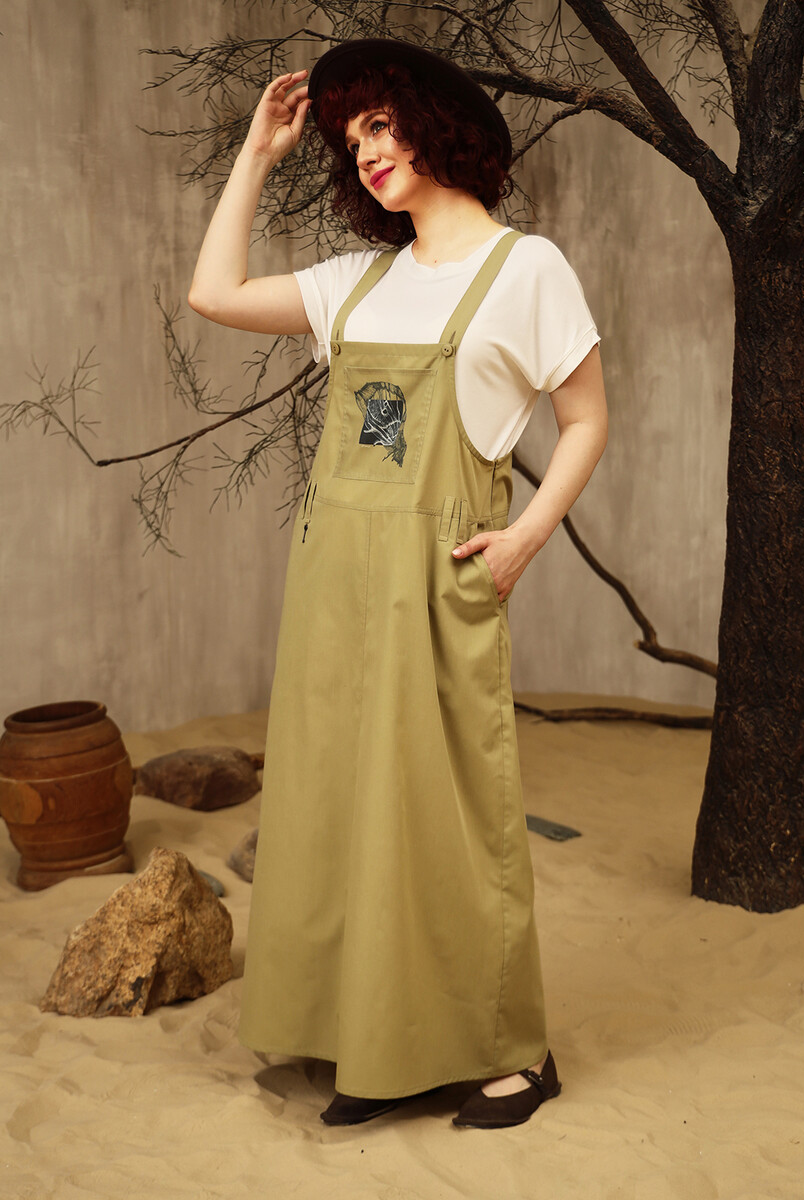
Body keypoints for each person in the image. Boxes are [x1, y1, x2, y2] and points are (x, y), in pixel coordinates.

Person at [188, 38, 608, 1130]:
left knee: (449, 820)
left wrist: (527, 536)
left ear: (436, 122)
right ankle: (373, 1049)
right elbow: (212, 292)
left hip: (438, 584)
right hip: (332, 586)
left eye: (380, 123)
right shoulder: (356, 282)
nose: (366, 149)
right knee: (337, 811)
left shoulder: (527, 270)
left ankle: (516, 1053)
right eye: (350, 137)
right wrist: (256, 154)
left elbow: (585, 419)